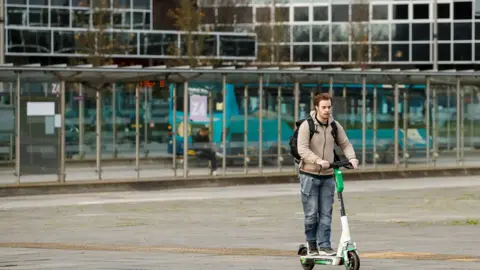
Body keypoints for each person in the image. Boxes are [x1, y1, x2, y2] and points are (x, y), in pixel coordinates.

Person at [297, 93, 359, 256]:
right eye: (323, 107)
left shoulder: (334, 126)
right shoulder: (307, 126)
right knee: (311, 213)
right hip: (309, 175)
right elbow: (302, 149)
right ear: (316, 107)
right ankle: (311, 244)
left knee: (326, 212)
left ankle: (324, 244)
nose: (327, 110)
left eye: (329, 107)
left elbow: (345, 143)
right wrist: (318, 160)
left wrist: (351, 158)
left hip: (328, 175)